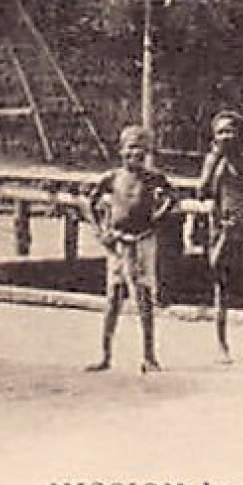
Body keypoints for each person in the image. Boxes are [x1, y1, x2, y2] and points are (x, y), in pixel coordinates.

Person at [83, 125, 175, 373]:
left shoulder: (153, 178)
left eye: (141, 149)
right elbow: (90, 202)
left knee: (144, 298)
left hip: (143, 240)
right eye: (130, 148)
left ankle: (149, 356)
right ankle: (105, 355)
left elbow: (172, 197)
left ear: (147, 152)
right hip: (118, 243)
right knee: (113, 298)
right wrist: (101, 232)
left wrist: (158, 217)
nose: (135, 154)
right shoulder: (112, 178)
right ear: (121, 150)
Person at [198, 111, 243, 364]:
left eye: (231, 130)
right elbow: (201, 192)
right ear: (214, 137)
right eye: (221, 131)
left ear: (239, 134)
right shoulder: (212, 161)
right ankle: (221, 345)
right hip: (221, 230)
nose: (227, 136)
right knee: (221, 289)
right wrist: (215, 161)